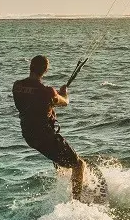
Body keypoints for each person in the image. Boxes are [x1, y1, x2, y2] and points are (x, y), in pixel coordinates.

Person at [12, 55, 99, 201]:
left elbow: (34, 101)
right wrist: (63, 92)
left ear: (30, 67)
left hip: (28, 135)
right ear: (45, 70)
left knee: (60, 160)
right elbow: (64, 102)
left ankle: (64, 188)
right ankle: (76, 202)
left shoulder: (17, 86)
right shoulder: (49, 92)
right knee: (79, 164)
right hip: (45, 136)